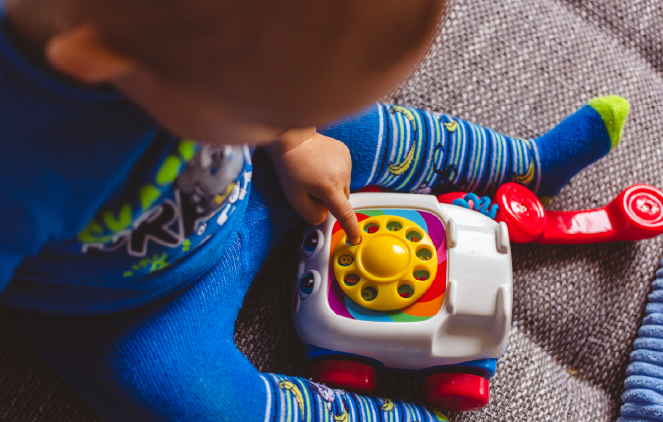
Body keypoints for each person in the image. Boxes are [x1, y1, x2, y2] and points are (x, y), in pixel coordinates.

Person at [0, 0, 629, 420]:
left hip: (260, 186)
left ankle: (525, 165)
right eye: (265, 113)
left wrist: (296, 136)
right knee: (189, 403)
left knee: (356, 130)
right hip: (128, 307)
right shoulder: (23, 171)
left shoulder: (189, 47)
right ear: (103, 62)